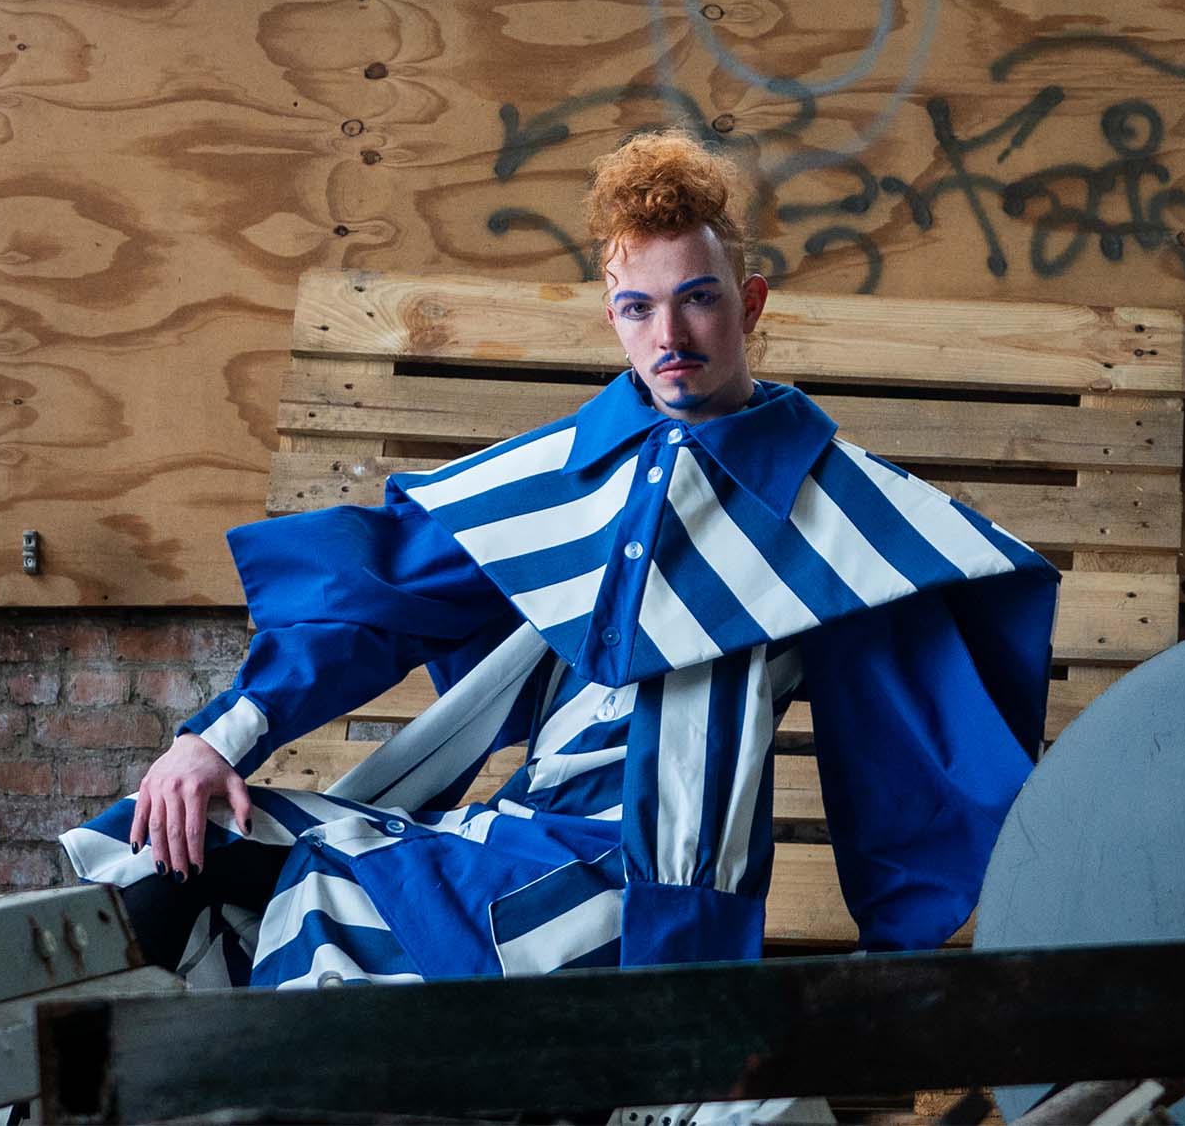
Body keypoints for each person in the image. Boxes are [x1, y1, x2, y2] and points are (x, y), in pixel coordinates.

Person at [58, 131, 1056, 986]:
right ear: (610, 315)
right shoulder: (563, 475)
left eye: (698, 299)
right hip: (502, 837)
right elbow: (377, 592)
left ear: (749, 301)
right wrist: (213, 739)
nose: (669, 336)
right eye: (638, 308)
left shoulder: (832, 509)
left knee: (325, 905)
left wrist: (897, 964)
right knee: (165, 844)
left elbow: (922, 727)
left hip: (640, 898)